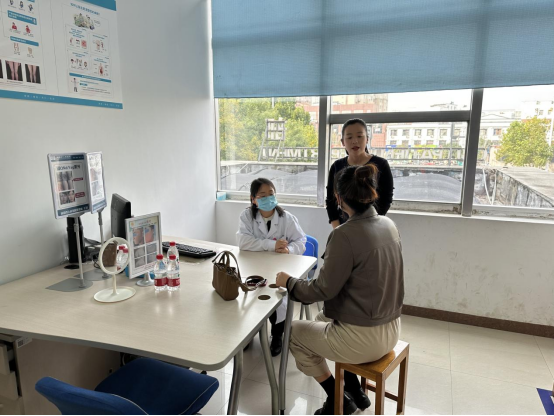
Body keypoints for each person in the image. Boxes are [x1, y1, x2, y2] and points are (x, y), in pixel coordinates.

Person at [276, 165, 404, 416]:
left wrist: (289, 282)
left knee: (293, 332)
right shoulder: (389, 225)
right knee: (320, 318)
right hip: (392, 328)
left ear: (338, 198)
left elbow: (322, 289)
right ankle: (355, 391)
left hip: (364, 339)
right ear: (371, 193)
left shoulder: (343, 235)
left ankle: (338, 398)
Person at [237, 178, 307, 356]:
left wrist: (289, 249)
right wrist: (271, 245)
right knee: (249, 296)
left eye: (271, 194)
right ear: (253, 199)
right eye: (262, 195)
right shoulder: (247, 216)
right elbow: (243, 241)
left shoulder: (286, 218)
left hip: (280, 267)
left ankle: (277, 335)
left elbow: (301, 241)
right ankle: (248, 333)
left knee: (278, 299)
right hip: (254, 266)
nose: (268, 198)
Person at [327, 119, 394, 228]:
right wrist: (337, 229)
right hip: (344, 227)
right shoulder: (336, 166)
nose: (354, 141)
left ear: (367, 139)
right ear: (343, 142)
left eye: (359, 136)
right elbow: (331, 201)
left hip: (372, 227)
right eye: (349, 137)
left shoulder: (381, 164)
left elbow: (386, 199)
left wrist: (371, 224)